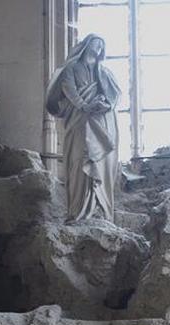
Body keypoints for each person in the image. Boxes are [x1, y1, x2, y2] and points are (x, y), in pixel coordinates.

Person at [46, 34, 121, 221]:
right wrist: (84, 105)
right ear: (86, 45)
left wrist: (107, 105)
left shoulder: (104, 72)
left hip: (101, 123)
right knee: (79, 162)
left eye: (101, 47)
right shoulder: (71, 68)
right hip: (79, 121)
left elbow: (114, 95)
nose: (98, 49)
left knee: (101, 163)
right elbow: (68, 89)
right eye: (95, 44)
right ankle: (78, 211)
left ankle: (100, 211)